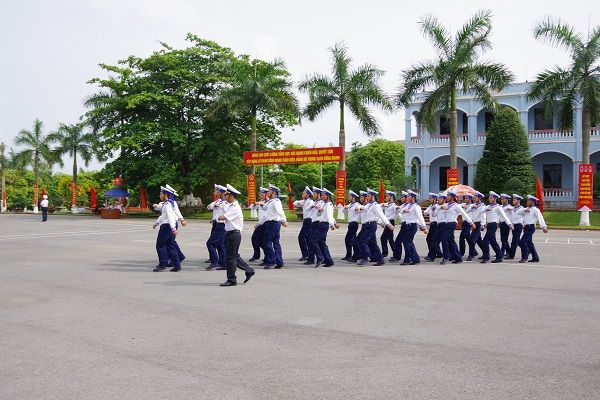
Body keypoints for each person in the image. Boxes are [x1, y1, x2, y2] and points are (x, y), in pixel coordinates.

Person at [219, 184, 255, 286]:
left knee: (231, 258)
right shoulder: (230, 206)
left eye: (226, 195)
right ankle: (249, 270)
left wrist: (220, 217)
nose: (225, 197)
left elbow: (223, 217)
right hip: (230, 234)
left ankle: (231, 279)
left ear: (231, 196)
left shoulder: (235, 207)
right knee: (234, 255)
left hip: (233, 234)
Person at [356, 188, 393, 266]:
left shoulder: (375, 205)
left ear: (372, 196)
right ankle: (380, 259)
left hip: (371, 225)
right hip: (368, 225)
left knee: (362, 241)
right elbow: (363, 208)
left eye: (368, 196)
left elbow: (381, 215)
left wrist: (388, 224)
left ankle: (365, 257)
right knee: (373, 244)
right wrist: (359, 207)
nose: (367, 197)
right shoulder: (369, 205)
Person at [152, 184, 186, 266]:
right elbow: (162, 212)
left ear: (166, 194)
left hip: (169, 225)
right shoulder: (167, 203)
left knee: (161, 245)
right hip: (171, 224)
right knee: (170, 243)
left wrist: (180, 221)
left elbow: (171, 216)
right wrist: (157, 223)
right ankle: (177, 261)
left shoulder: (168, 204)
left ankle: (164, 263)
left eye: (161, 194)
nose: (159, 195)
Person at [256, 184, 288, 269]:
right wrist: (259, 223)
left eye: (269, 191)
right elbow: (265, 215)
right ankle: (279, 262)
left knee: (267, 242)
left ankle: (271, 261)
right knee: (275, 242)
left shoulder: (276, 201)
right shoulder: (271, 201)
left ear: (274, 192)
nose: (268, 192)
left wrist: (284, 220)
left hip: (273, 224)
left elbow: (280, 211)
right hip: (271, 223)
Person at [440, 190, 475, 265]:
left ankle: (445, 257)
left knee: (444, 239)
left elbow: (464, 214)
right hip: (446, 224)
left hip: (452, 224)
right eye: (447, 196)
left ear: (452, 197)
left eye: (448, 196)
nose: (447, 197)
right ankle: (458, 257)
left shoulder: (456, 206)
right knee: (451, 241)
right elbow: (440, 210)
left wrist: (471, 223)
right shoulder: (446, 205)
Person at [481, 191, 513, 263]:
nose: (489, 199)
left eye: (491, 198)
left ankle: (486, 257)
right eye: (489, 198)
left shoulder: (498, 207)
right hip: (489, 225)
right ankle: (499, 256)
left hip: (493, 225)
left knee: (485, 241)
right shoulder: (488, 206)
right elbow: (481, 211)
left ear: (495, 199)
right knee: (493, 242)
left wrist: (510, 224)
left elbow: (504, 216)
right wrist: (486, 209)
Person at [311, 188, 339, 267]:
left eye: (323, 195)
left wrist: (332, 224)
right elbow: (319, 215)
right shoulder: (324, 204)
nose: (322, 196)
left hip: (324, 225)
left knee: (313, 240)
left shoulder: (329, 204)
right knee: (322, 243)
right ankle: (329, 261)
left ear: (328, 196)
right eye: (322, 195)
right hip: (322, 224)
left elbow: (329, 215)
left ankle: (320, 257)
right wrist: (319, 211)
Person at [517, 195, 548, 263]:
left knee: (523, 242)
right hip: (526, 228)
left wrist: (544, 227)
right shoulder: (526, 209)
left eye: (529, 201)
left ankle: (524, 257)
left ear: (533, 202)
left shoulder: (535, 210)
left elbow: (540, 218)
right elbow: (518, 213)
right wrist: (525, 209)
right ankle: (535, 258)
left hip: (531, 227)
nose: (527, 202)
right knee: (529, 243)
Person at [400, 190, 428, 265]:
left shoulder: (416, 206)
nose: (407, 198)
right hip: (407, 226)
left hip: (412, 226)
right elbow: (402, 212)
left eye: (409, 196)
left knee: (407, 242)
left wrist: (424, 227)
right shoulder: (408, 205)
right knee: (408, 243)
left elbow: (420, 217)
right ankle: (412, 259)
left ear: (413, 197)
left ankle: (412, 259)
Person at [206, 184, 228, 271]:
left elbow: (227, 214)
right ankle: (223, 263)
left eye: (217, 191)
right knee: (220, 245)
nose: (215, 193)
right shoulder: (218, 201)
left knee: (210, 243)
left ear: (221, 193)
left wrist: (218, 207)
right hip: (216, 224)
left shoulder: (226, 203)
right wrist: (214, 218)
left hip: (222, 225)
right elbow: (209, 207)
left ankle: (214, 262)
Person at [293, 186, 315, 262]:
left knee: (303, 237)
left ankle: (307, 254)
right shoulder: (305, 201)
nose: (302, 194)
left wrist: (309, 205)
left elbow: (313, 206)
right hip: (306, 221)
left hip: (309, 221)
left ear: (308, 195)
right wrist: (300, 202)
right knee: (305, 238)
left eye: (304, 193)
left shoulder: (310, 201)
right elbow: (295, 203)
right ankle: (307, 254)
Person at [304, 187, 323, 265]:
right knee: (311, 241)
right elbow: (306, 209)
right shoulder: (315, 202)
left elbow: (321, 211)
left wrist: (316, 207)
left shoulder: (321, 202)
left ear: (318, 194)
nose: (313, 195)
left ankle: (319, 257)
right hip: (313, 223)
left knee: (313, 241)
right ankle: (312, 258)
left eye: (315, 193)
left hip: (318, 223)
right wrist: (312, 206)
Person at [249, 187, 268, 262]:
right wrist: (254, 204)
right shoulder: (261, 201)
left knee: (264, 241)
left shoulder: (268, 202)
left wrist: (258, 203)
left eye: (261, 194)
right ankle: (256, 255)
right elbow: (251, 207)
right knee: (254, 239)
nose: (260, 195)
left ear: (266, 194)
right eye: (260, 194)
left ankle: (268, 256)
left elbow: (264, 205)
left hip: (265, 224)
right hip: (260, 224)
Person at [466, 191, 486, 261]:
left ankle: (471, 255)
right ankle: (485, 253)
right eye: (474, 197)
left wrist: (483, 225)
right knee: (479, 241)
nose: (474, 198)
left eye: (475, 197)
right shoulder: (473, 205)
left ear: (479, 198)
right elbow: (467, 210)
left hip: (478, 224)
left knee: (472, 240)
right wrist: (472, 207)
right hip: (474, 224)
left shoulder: (482, 206)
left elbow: (483, 215)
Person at [342, 190, 360, 261]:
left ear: (353, 197)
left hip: (354, 223)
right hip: (350, 224)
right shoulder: (350, 205)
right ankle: (350, 255)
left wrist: (358, 209)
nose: (348, 198)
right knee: (351, 240)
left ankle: (353, 255)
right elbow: (343, 211)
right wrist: (345, 207)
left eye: (349, 197)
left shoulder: (357, 204)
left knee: (349, 239)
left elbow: (359, 210)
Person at [506, 194, 524, 260]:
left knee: (514, 241)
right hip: (514, 225)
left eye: (514, 200)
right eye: (513, 200)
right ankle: (527, 250)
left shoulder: (522, 209)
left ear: (518, 201)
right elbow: (512, 217)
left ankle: (511, 255)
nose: (513, 201)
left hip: (518, 225)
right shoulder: (513, 208)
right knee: (517, 241)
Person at [423, 193, 440, 261]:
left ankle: (432, 255)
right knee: (432, 240)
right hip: (432, 224)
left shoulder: (437, 206)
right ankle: (438, 253)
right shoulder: (431, 206)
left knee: (431, 240)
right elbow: (425, 212)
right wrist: (426, 212)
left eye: (430, 198)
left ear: (434, 199)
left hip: (436, 224)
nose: (429, 199)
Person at [380, 190, 398, 258]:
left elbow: (397, 209)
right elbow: (379, 206)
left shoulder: (393, 205)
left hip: (391, 222)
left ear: (391, 197)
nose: (386, 197)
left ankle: (385, 253)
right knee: (390, 239)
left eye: (387, 196)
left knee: (383, 238)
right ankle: (396, 254)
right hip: (387, 222)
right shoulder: (386, 204)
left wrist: (398, 208)